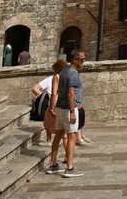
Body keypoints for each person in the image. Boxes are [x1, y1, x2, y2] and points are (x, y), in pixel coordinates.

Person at [58, 49, 86, 177]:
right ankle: (69, 167)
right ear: (75, 60)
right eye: (82, 60)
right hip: (69, 108)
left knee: (59, 136)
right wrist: (72, 112)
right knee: (72, 137)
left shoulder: (64, 70)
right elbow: (70, 93)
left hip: (60, 107)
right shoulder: (74, 73)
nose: (83, 62)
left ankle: (53, 164)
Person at [37, 57, 66, 173]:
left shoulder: (56, 77)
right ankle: (67, 158)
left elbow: (54, 94)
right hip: (67, 106)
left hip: (58, 105)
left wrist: (52, 108)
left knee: (58, 134)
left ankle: (53, 162)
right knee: (66, 135)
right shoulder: (68, 77)